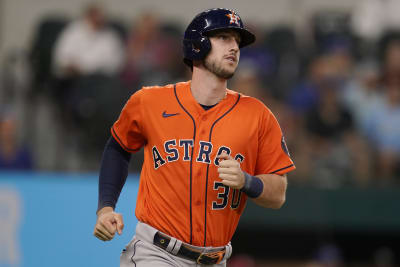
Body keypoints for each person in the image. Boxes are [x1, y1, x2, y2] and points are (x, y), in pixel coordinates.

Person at [93, 8, 295, 267]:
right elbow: (117, 149)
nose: (234, 47)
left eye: (237, 41)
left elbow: (278, 193)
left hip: (216, 259)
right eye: (224, 37)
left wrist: (247, 181)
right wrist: (106, 208)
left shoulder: (258, 116)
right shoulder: (149, 102)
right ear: (197, 44)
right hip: (156, 252)